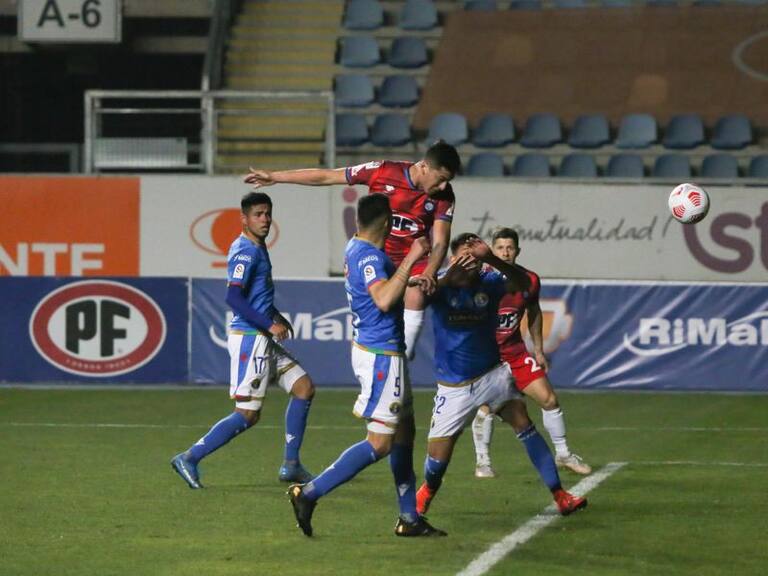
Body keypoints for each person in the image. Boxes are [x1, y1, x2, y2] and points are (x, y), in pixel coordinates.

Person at [286, 194, 446, 538]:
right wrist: (415, 258)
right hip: (380, 356)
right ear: (388, 224)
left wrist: (411, 280)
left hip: (383, 351)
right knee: (380, 443)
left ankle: (409, 518)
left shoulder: (354, 247)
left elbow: (384, 287)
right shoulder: (369, 256)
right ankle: (309, 493)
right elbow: (384, 298)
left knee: (404, 434)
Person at [414, 234, 587, 518]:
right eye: (463, 258)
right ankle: (425, 495)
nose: (470, 264)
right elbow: (417, 298)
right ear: (452, 259)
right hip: (454, 387)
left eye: (474, 259)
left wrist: (492, 258)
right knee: (437, 458)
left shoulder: (490, 283)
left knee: (524, 423)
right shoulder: (438, 285)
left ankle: (560, 495)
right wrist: (446, 279)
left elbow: (524, 286)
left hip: (493, 375)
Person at [244, 141, 461, 360]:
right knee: (376, 313)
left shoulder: (444, 195)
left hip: (413, 258)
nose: (443, 186)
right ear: (424, 166)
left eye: (447, 181)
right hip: (377, 258)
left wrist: (429, 272)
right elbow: (327, 176)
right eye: (441, 179)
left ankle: (403, 354)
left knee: (417, 293)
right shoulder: (382, 171)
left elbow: (441, 242)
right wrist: (275, 177)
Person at [171, 192, 315, 488]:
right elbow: (233, 297)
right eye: (258, 215)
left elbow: (255, 295)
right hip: (251, 337)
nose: (265, 220)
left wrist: (275, 316)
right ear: (245, 219)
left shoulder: (258, 246)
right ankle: (189, 457)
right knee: (247, 414)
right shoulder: (245, 250)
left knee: (303, 388)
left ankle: (291, 465)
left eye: (267, 213)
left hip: (263, 333)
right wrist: (267, 323)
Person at [471, 228, 591, 478]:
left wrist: (538, 350)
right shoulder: (478, 279)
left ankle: (563, 454)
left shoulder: (529, 280)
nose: (505, 252)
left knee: (549, 400)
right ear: (492, 250)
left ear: (517, 251)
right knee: (487, 408)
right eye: (500, 247)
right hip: (488, 357)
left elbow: (534, 312)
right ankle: (483, 461)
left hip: (515, 353)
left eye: (510, 247)